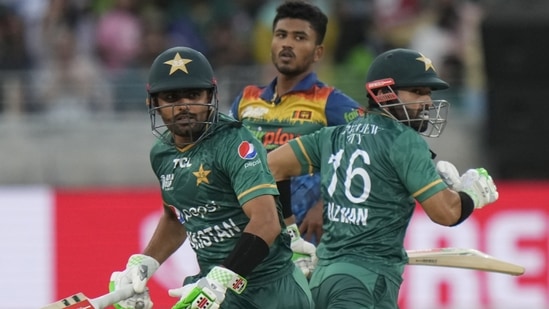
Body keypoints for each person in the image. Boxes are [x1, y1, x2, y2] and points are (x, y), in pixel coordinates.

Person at [267, 48, 499, 308]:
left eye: (429, 94)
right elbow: (445, 213)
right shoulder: (404, 140)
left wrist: (290, 235)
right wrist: (471, 196)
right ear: (384, 93)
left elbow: (271, 166)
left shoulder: (332, 136)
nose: (428, 103)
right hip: (365, 282)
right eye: (418, 92)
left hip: (326, 278)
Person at [108, 46, 313, 309]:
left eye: (193, 95)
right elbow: (176, 216)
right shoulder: (161, 154)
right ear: (154, 103)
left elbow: (266, 222)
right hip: (216, 290)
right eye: (171, 97)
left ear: (210, 95)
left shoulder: (234, 143)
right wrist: (144, 264)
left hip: (271, 291)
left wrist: (221, 278)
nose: (184, 107)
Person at [229, 0, 362, 278]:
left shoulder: (331, 103)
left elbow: (370, 154)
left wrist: (327, 203)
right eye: (281, 35)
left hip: (306, 243)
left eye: (300, 37)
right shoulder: (246, 100)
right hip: (252, 237)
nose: (287, 44)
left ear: (318, 52)